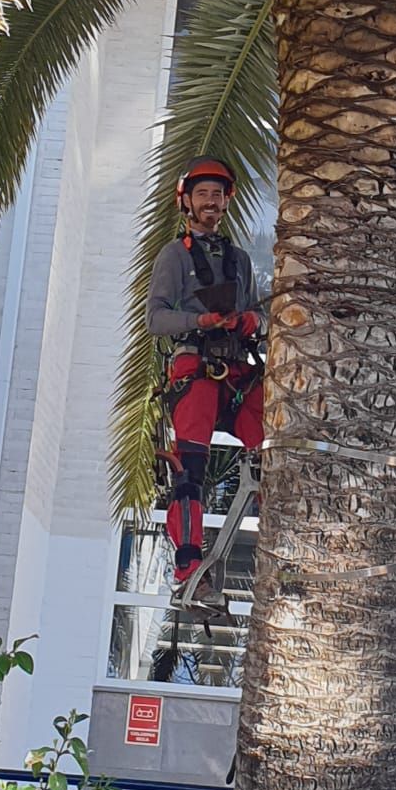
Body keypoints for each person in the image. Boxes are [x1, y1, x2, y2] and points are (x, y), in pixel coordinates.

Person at [145, 157, 265, 589]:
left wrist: (252, 322)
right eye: (203, 195)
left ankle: (282, 534)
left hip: (235, 371)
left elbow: (260, 313)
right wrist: (200, 323)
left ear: (226, 200)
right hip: (196, 367)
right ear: (187, 203)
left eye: (217, 194)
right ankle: (188, 560)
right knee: (190, 467)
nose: (211, 202)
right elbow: (156, 319)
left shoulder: (239, 260)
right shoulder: (175, 256)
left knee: (276, 440)